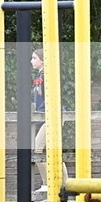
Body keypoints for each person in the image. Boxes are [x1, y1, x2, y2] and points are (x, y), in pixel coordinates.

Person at [31, 48, 69, 193]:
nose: (31, 61)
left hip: (52, 115)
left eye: (34, 58)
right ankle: (66, 184)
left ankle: (47, 183)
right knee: (54, 150)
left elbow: (50, 98)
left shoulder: (47, 75)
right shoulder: (40, 76)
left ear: (42, 60)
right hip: (46, 115)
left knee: (37, 149)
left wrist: (40, 112)